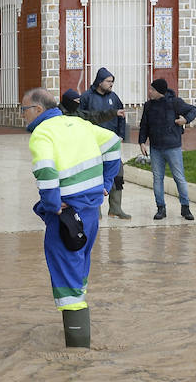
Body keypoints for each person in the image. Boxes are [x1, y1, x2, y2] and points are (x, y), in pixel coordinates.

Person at [21, 87, 122, 348]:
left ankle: (77, 355)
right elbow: (113, 141)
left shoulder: (42, 133)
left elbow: (45, 171)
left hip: (66, 215)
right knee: (78, 272)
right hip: (89, 214)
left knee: (67, 279)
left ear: (38, 110)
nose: (21, 116)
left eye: (23, 110)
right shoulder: (79, 124)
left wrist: (53, 205)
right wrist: (106, 182)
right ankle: (79, 342)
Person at [138, 77, 196, 221]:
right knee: (157, 179)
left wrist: (185, 120)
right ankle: (161, 208)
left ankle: (185, 208)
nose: (149, 92)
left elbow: (193, 110)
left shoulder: (175, 103)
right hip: (156, 148)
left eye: (152, 89)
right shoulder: (148, 106)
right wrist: (142, 142)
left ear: (159, 91)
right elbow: (144, 125)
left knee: (179, 178)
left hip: (173, 147)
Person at [77, 67, 132, 219]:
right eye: (108, 81)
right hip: (92, 145)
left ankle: (115, 208)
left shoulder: (114, 98)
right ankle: (96, 210)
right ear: (100, 81)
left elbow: (121, 116)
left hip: (111, 145)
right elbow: (81, 118)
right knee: (95, 176)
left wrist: (121, 135)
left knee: (117, 174)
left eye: (112, 81)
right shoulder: (86, 97)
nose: (111, 84)